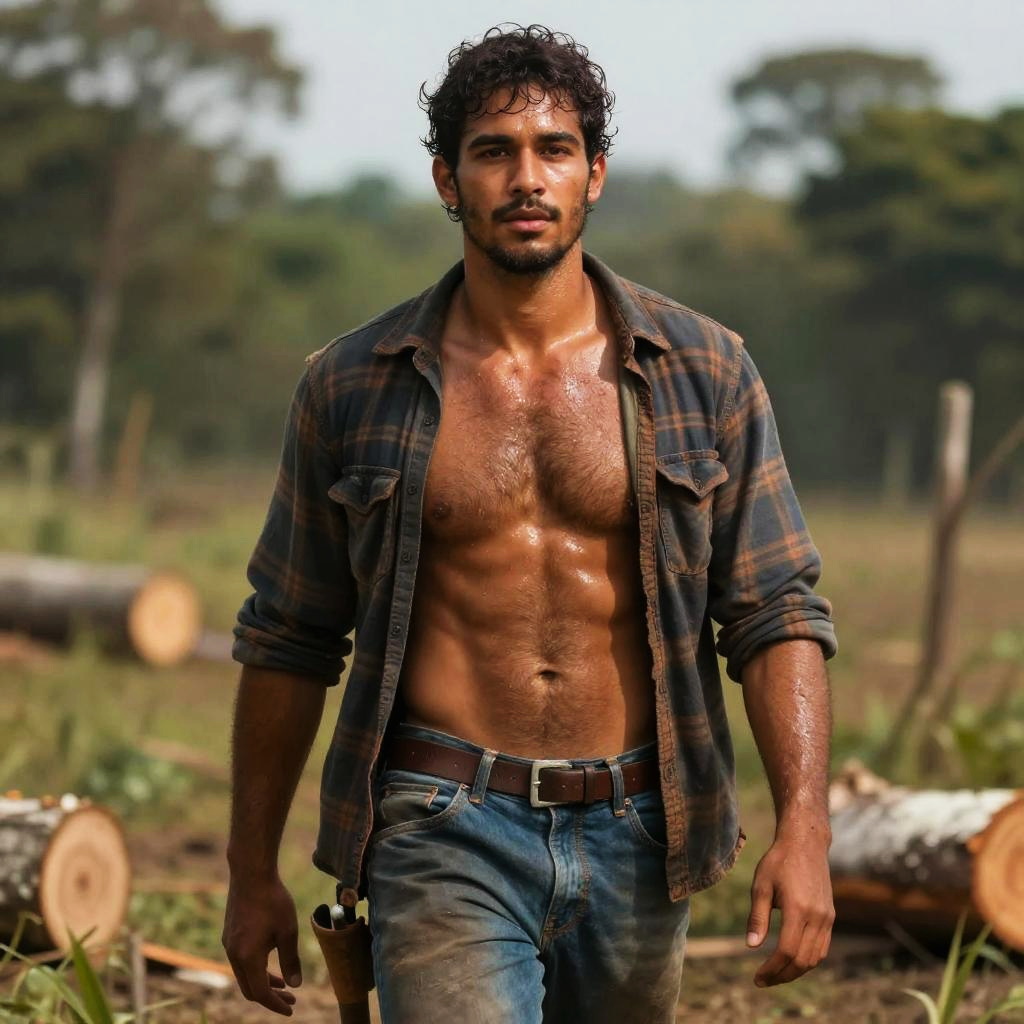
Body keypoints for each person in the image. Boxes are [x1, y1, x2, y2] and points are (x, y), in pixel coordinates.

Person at [222, 24, 838, 1024]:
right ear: (445, 179)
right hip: (441, 819)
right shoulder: (350, 384)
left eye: (553, 149)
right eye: (492, 151)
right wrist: (251, 872)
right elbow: (288, 634)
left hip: (642, 825)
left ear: (594, 174)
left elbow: (774, 611)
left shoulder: (704, 368)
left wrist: (804, 827)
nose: (525, 177)